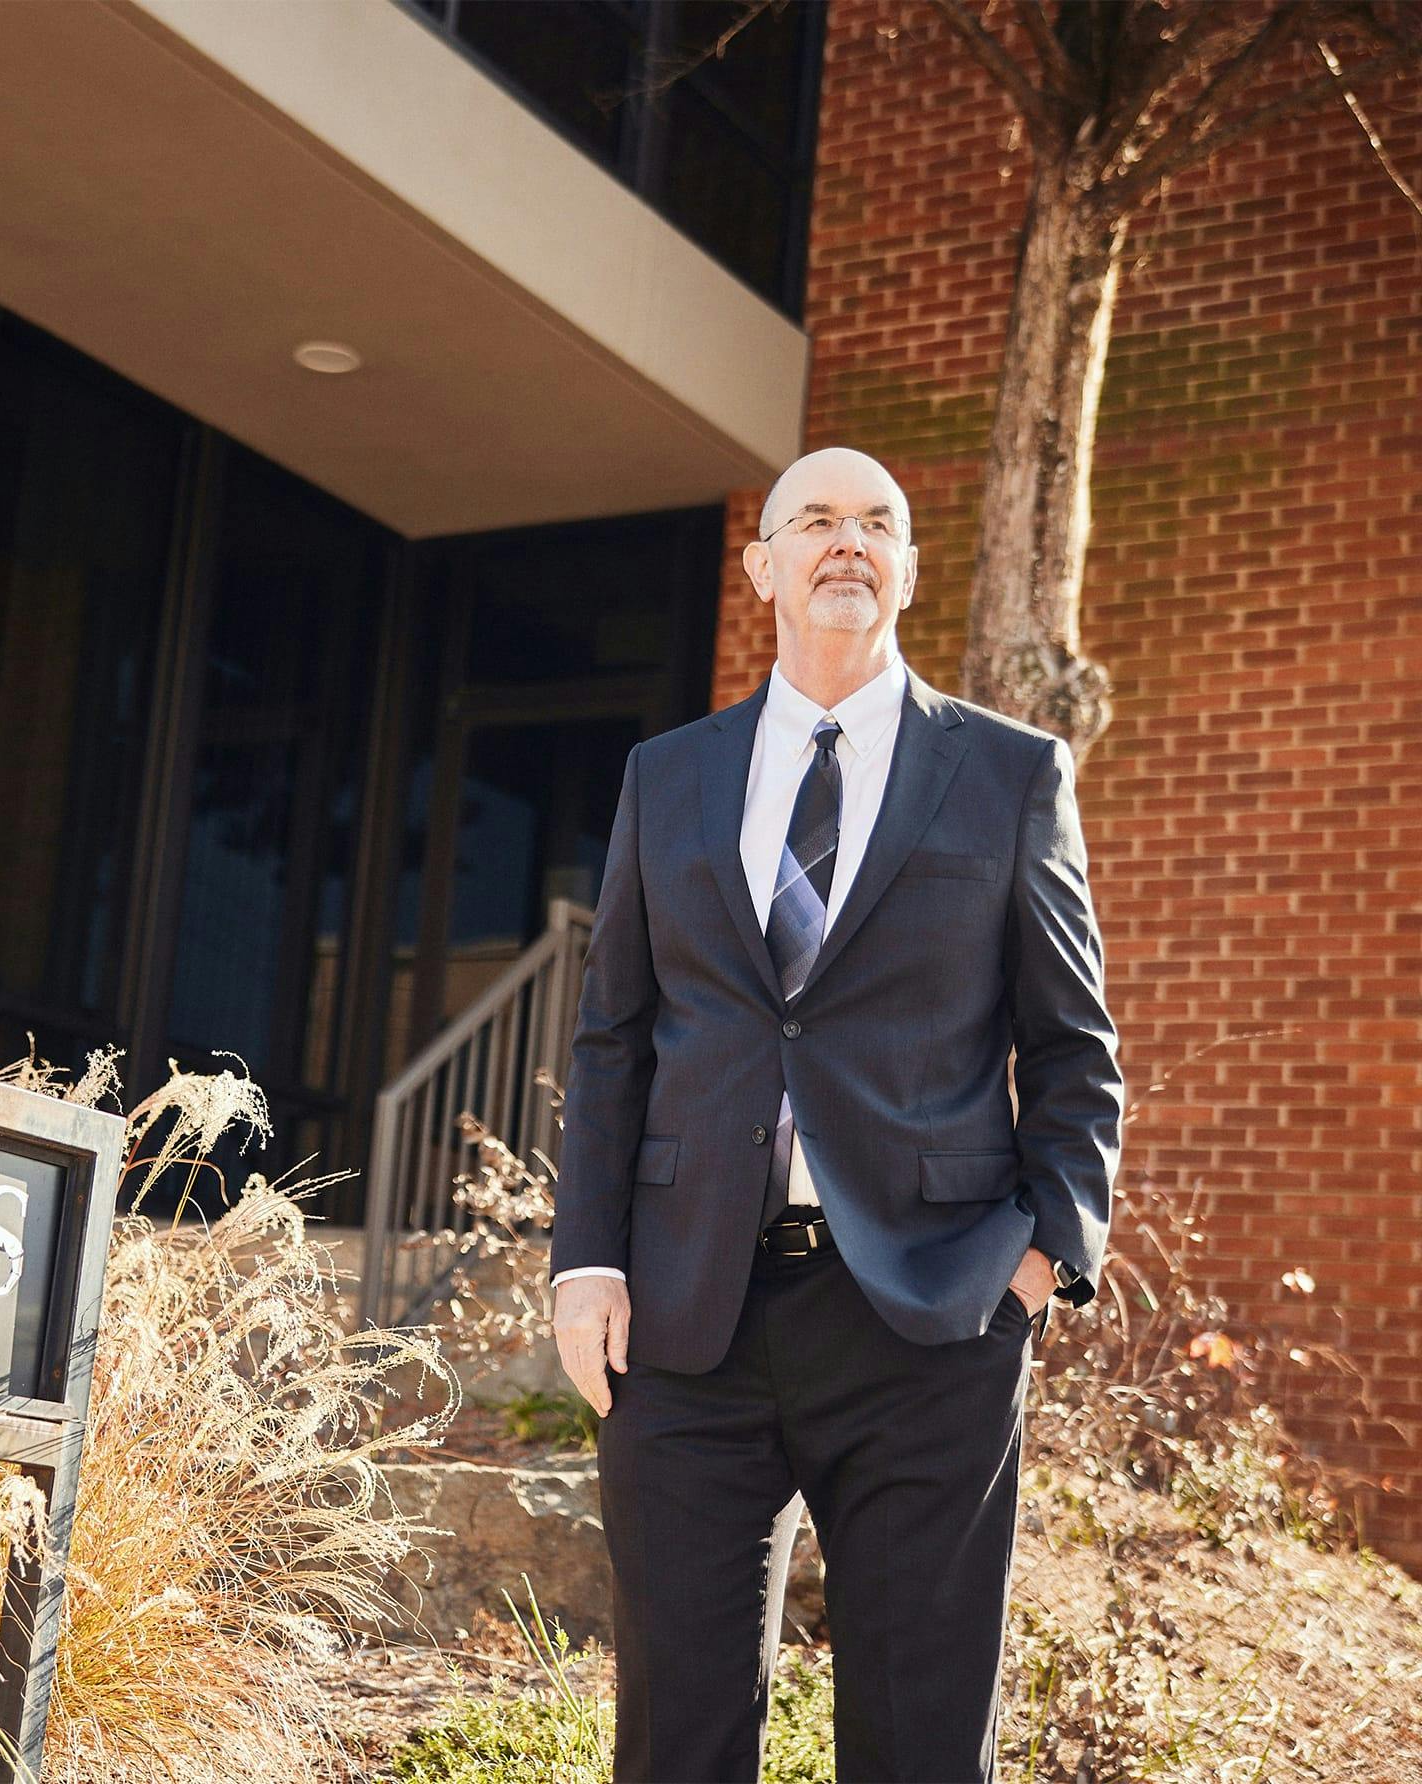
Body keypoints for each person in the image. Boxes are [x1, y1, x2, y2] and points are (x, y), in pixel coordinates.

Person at [548, 447, 1124, 1784]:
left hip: (929, 1323)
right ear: (762, 568)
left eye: (881, 523)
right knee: (677, 1740)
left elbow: (1075, 1047)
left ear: (912, 570)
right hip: (687, 1320)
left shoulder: (1008, 776)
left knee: (920, 1744)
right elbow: (616, 1038)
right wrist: (586, 1263)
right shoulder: (668, 777)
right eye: (815, 519)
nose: (848, 540)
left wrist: (1039, 1263)